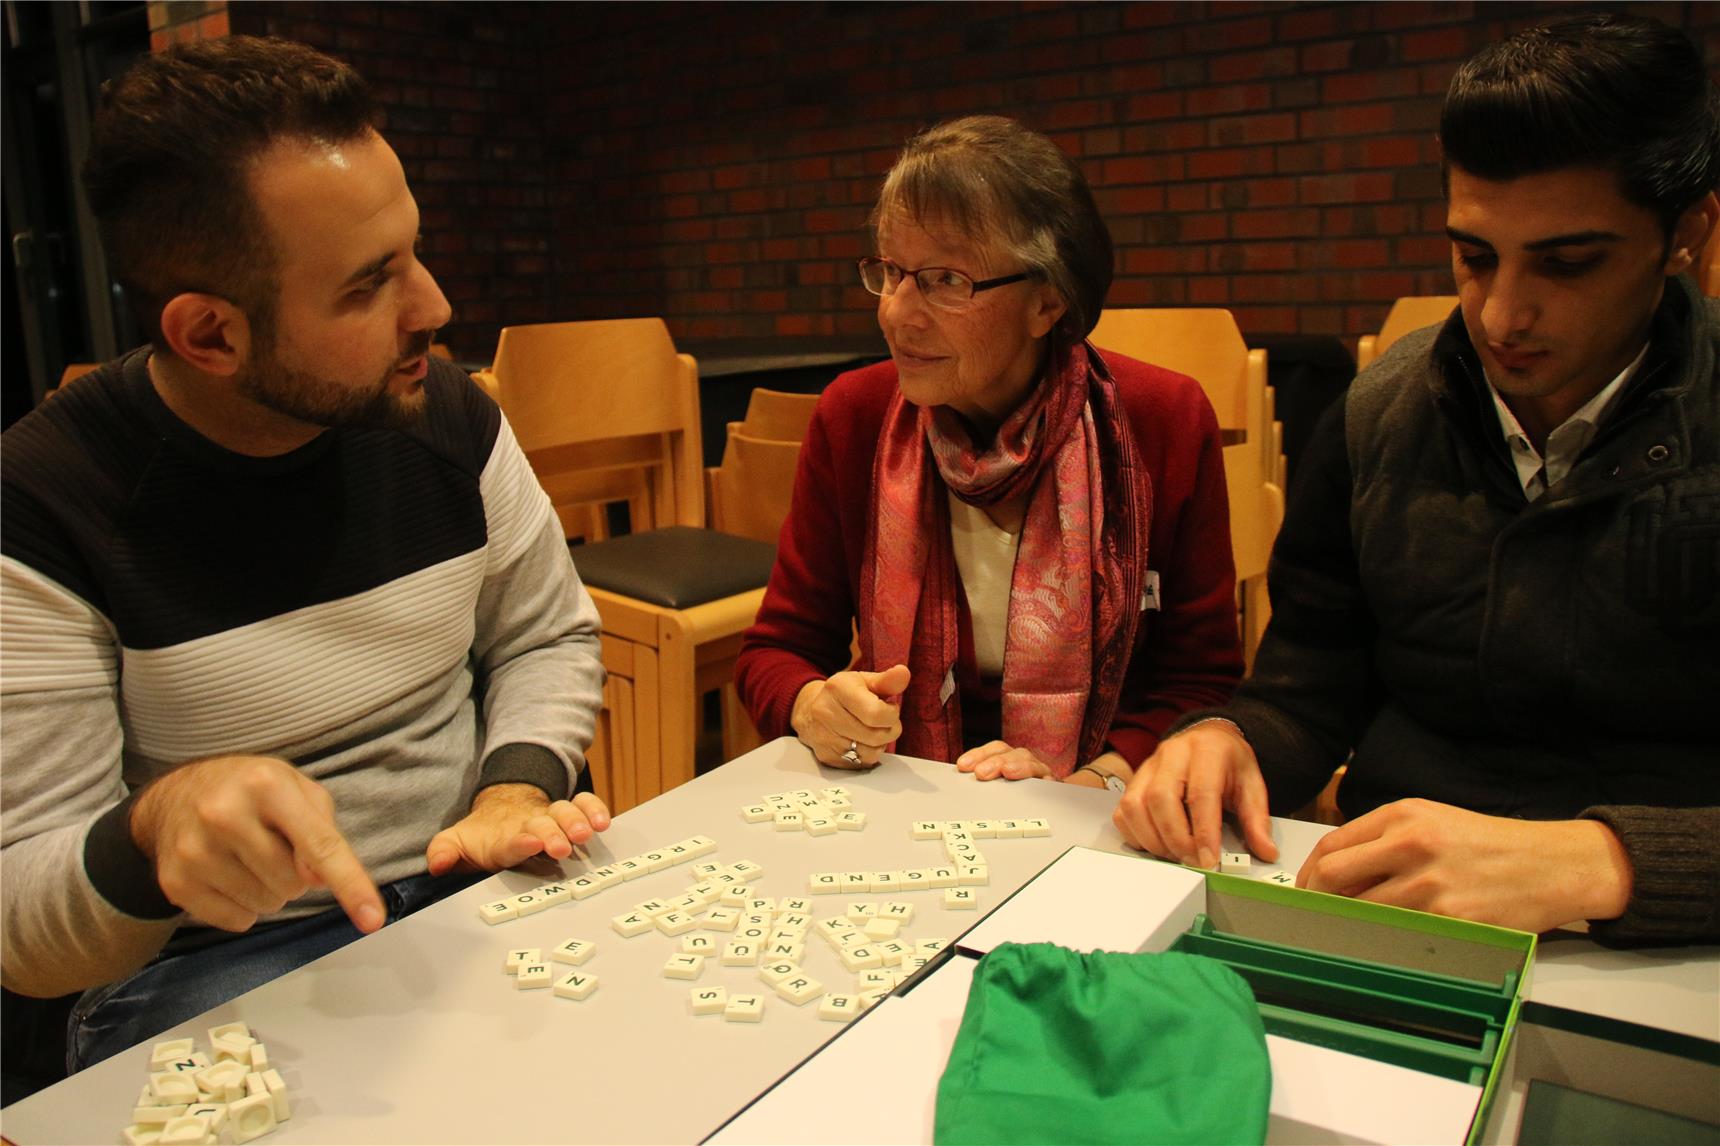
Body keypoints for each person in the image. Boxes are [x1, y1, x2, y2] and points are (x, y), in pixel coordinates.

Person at [0, 36, 609, 1082]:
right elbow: (22, 927)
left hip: (473, 890)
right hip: (217, 966)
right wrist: (155, 835)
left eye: (414, 251)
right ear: (209, 336)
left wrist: (512, 786)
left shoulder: (445, 416)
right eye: (370, 285)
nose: (435, 308)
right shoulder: (44, 504)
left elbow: (545, 634)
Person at [1115, 14, 1720, 942]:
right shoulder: (1383, 409)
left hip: (1668, 955)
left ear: (1686, 234)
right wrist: (1227, 742)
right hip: (1390, 918)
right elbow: (1307, 687)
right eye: (1474, 257)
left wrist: (1613, 861)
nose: (1501, 313)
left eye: (1568, 263)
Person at [737, 116, 1243, 792]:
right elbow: (779, 648)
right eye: (891, 271)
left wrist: (1096, 782)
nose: (897, 312)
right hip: (903, 781)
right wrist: (815, 706)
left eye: (945, 279)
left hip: (1099, 792)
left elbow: (1200, 682)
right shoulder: (854, 417)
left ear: (1048, 302)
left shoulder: (1162, 420)